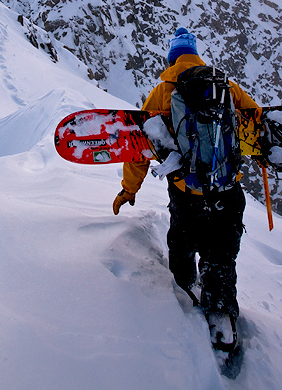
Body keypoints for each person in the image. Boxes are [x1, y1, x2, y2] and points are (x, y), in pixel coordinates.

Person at [112, 28, 261, 351]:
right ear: (195, 55)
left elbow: (140, 147)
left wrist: (129, 189)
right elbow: (255, 125)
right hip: (226, 193)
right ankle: (222, 318)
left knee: (182, 244)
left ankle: (185, 290)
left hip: (186, 194)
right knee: (221, 256)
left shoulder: (162, 92)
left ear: (171, 58)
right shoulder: (226, 87)